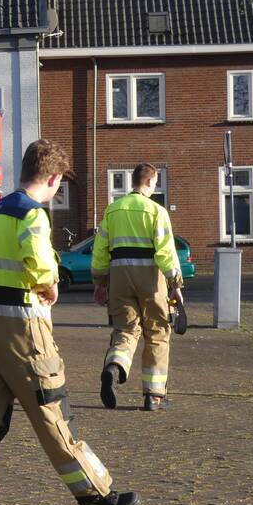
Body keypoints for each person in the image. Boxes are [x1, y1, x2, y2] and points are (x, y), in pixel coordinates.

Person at [0, 139, 139, 505]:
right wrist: (50, 284)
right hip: (24, 327)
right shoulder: (32, 216)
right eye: (59, 185)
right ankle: (95, 495)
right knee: (51, 409)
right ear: (52, 178)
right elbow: (38, 264)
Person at [92, 163, 183, 412]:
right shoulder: (156, 211)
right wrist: (175, 284)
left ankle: (114, 367)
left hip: (120, 277)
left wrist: (100, 282)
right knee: (157, 332)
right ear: (151, 182)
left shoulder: (112, 210)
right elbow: (165, 252)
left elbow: (100, 250)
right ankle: (153, 396)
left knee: (126, 329)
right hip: (151, 279)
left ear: (133, 182)